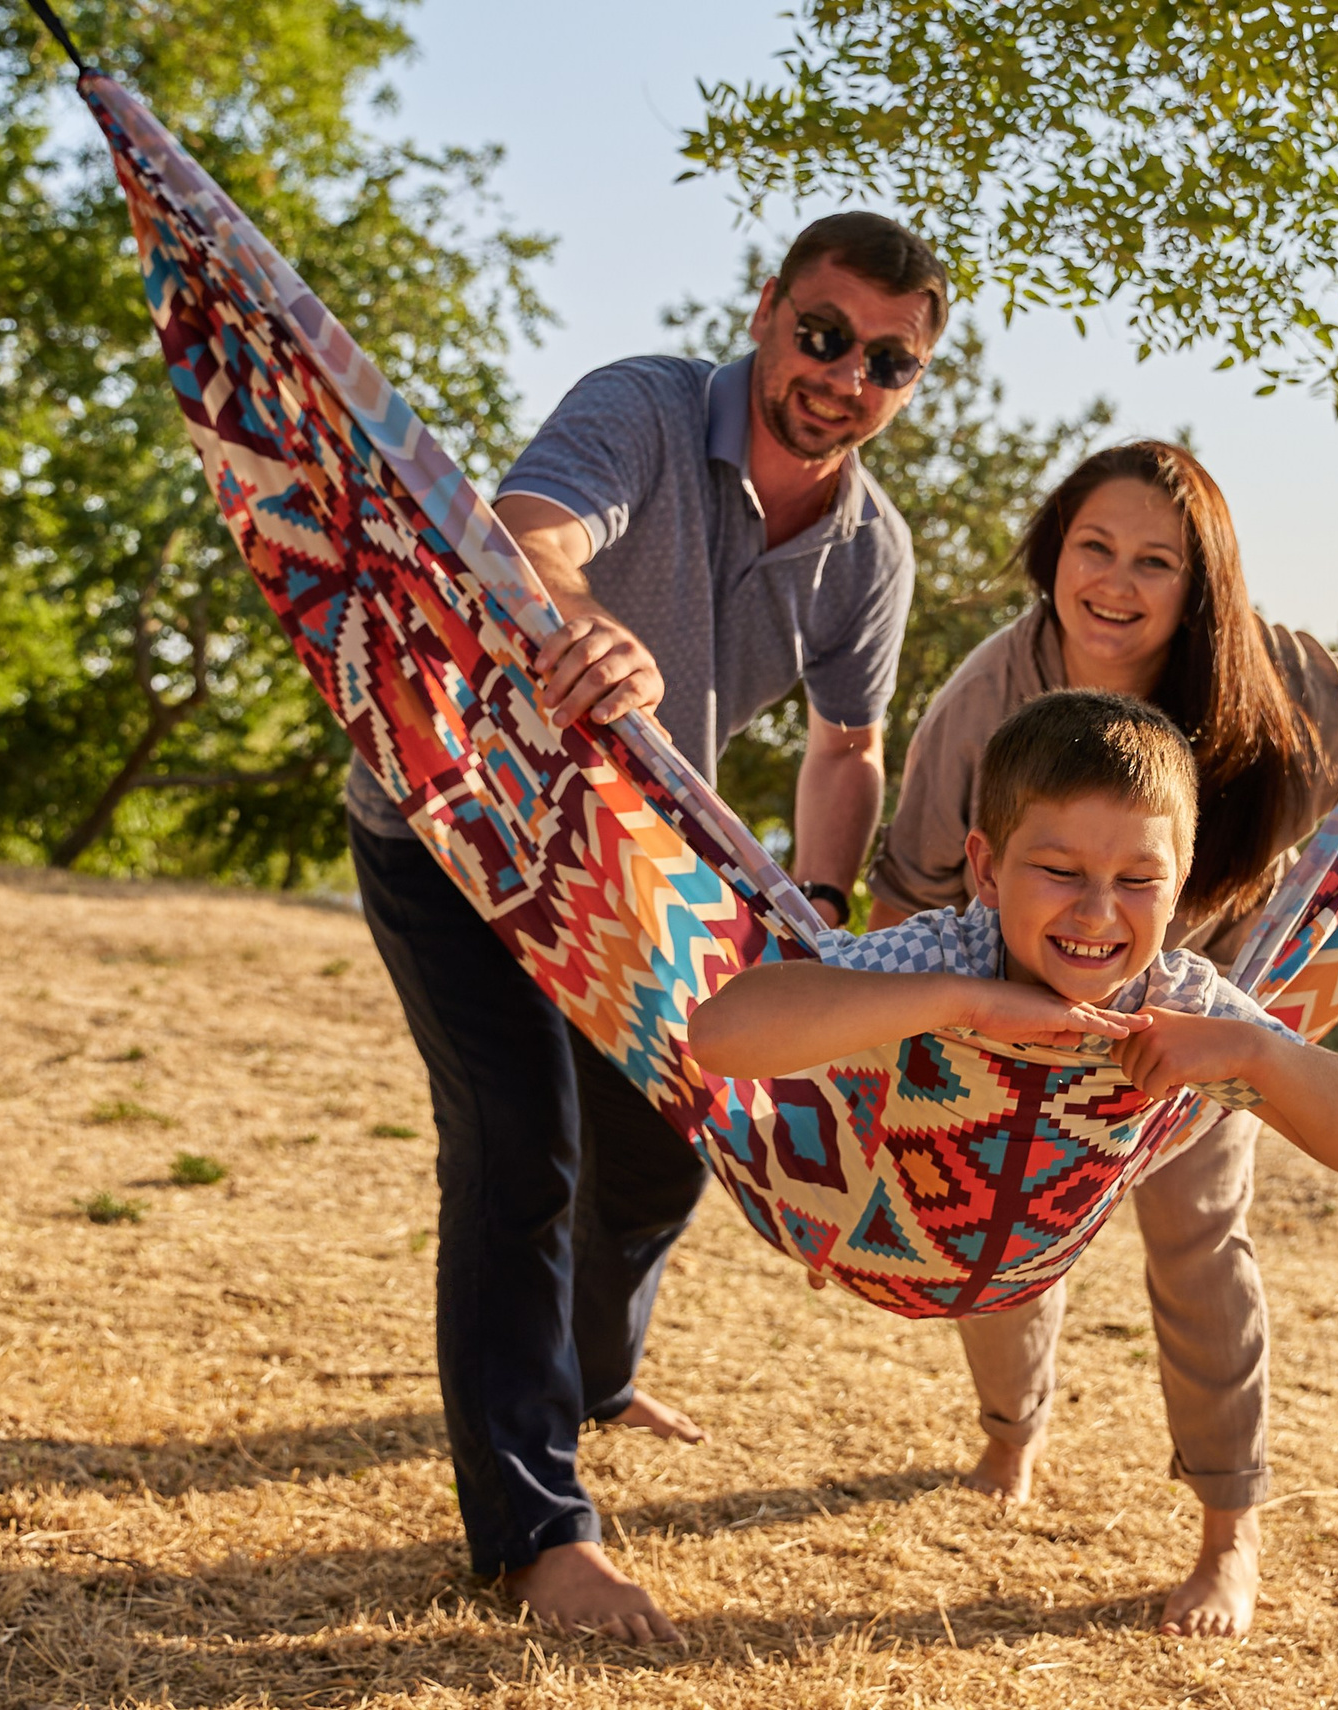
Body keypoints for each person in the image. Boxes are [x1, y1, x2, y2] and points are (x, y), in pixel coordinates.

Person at [345, 213, 946, 1645]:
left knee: (668, 1145)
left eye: (889, 361)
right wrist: (581, 618)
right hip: (462, 819)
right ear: (768, 310)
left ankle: (594, 1376)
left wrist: (823, 923)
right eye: (823, 332)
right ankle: (534, 1534)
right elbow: (528, 536)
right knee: (521, 1142)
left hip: (630, 869)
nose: (845, 374)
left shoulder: (874, 550)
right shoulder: (645, 405)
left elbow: (847, 747)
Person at [865, 442, 1338, 1636]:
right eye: (1093, 547)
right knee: (997, 1245)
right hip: (1018, 1022)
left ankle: (1228, 1536)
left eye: (1156, 561)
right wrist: (920, 1042)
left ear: (1200, 586)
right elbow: (906, 879)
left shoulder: (1274, 678)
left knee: (1201, 1248)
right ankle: (1012, 1434)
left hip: (1193, 1022)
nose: (1117, 581)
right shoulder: (985, 698)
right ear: (1054, 553)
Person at [688, 687, 1338, 1167]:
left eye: (1137, 881)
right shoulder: (948, 954)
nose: (1097, 913)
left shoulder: (1176, 1000)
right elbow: (720, 1036)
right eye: (1060, 872)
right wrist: (964, 1004)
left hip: (1037, 1232)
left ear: (1179, 885)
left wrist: (1253, 1052)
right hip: (893, 1196)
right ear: (989, 870)